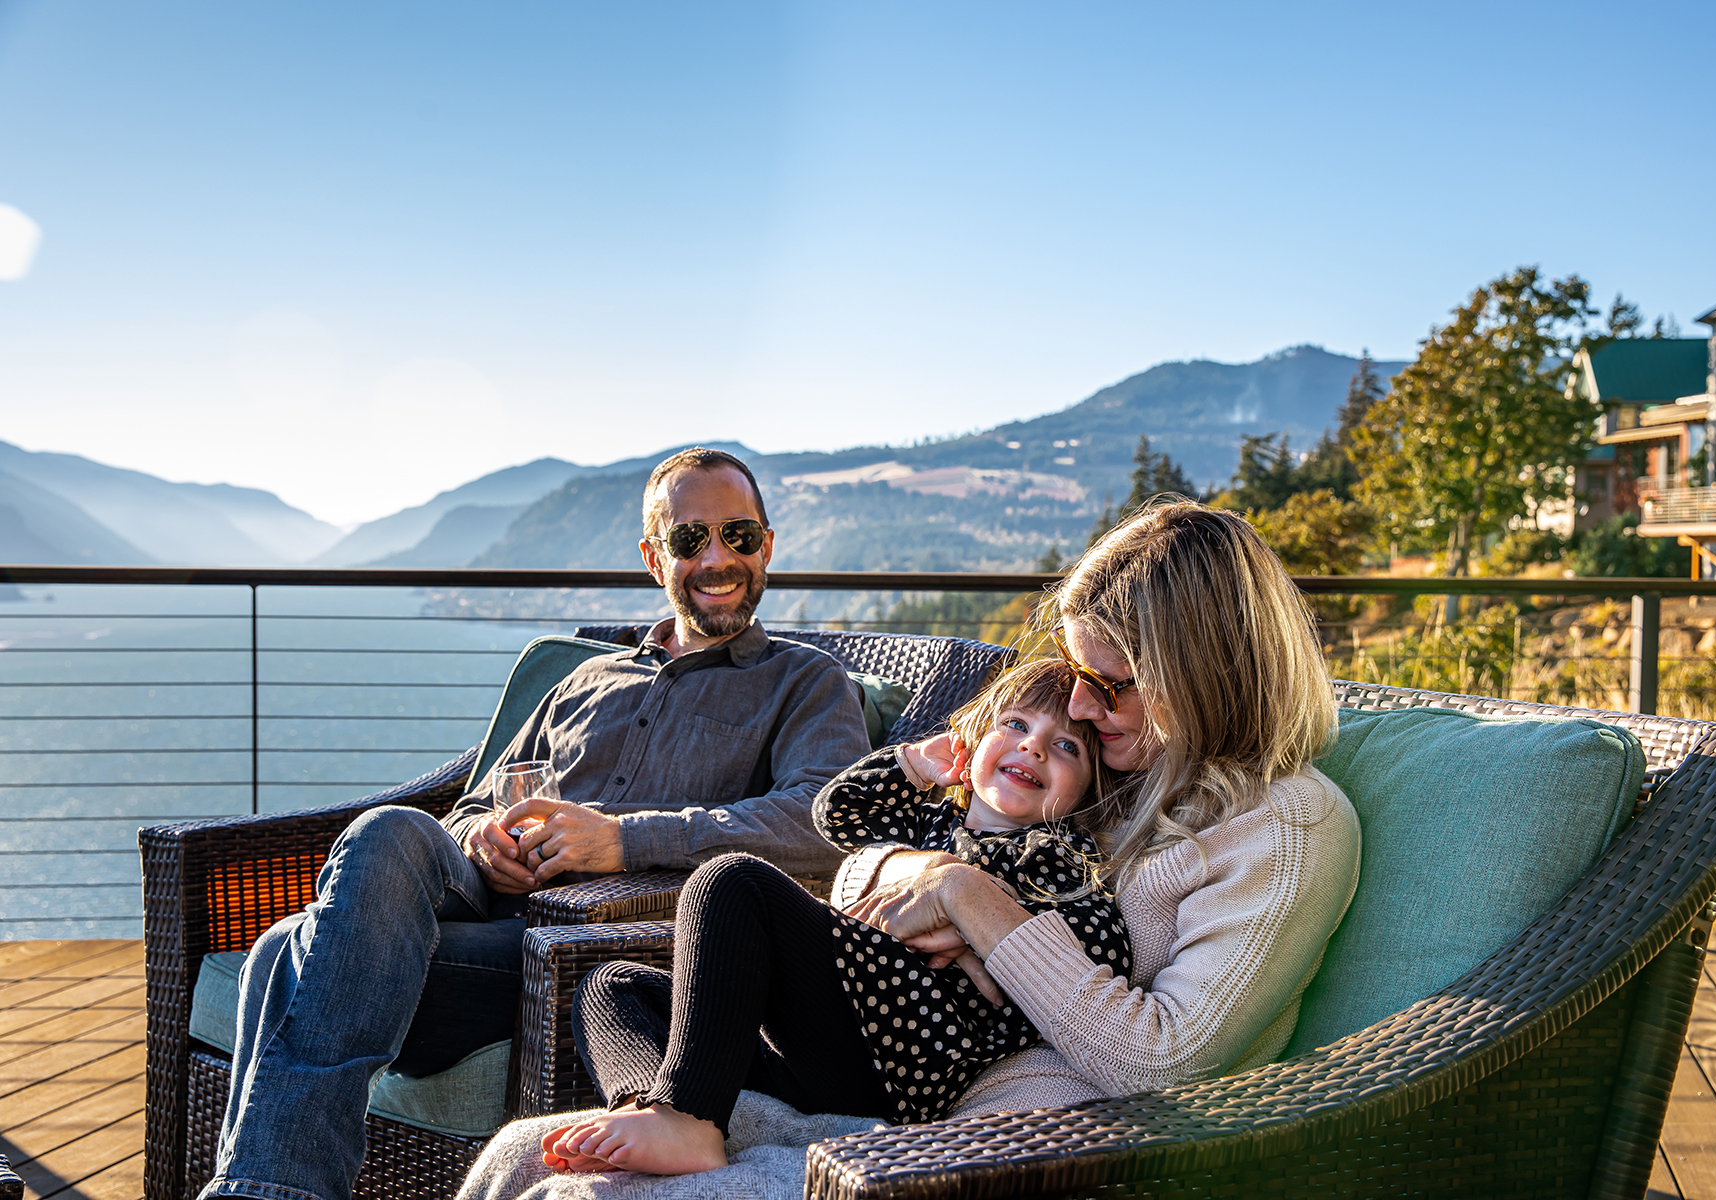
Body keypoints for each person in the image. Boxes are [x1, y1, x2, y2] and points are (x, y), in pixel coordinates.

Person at [455, 498, 1361, 1200]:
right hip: (897, 1064)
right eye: (1078, 680)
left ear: (1201, 677)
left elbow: (1156, 1063)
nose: (1078, 711)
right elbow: (855, 862)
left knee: (576, 1183)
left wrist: (970, 900)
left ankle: (686, 1122)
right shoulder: (1138, 768)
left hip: (1009, 1136)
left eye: (1109, 686)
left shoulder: (1284, 830)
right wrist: (918, 873)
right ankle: (671, 1115)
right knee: (548, 1108)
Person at [199, 447, 872, 1200]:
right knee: (388, 828)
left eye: (739, 535)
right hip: (480, 899)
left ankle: (264, 1191)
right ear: (656, 558)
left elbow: (823, 822)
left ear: (767, 546)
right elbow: (473, 806)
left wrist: (622, 837)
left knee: (286, 951)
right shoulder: (585, 679)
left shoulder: (804, 681)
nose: (718, 558)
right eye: (691, 539)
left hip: (565, 946)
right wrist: (478, 840)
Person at [538, 658, 1130, 1176]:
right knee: (612, 986)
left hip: (908, 1063)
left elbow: (1100, 950)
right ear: (974, 740)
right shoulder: (924, 822)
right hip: (827, 1046)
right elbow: (837, 816)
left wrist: (986, 935)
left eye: (1066, 746)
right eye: (1017, 725)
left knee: (733, 880)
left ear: (1088, 788)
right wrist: (914, 765)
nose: (1032, 747)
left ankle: (687, 1117)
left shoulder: (1056, 859)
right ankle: (651, 1106)